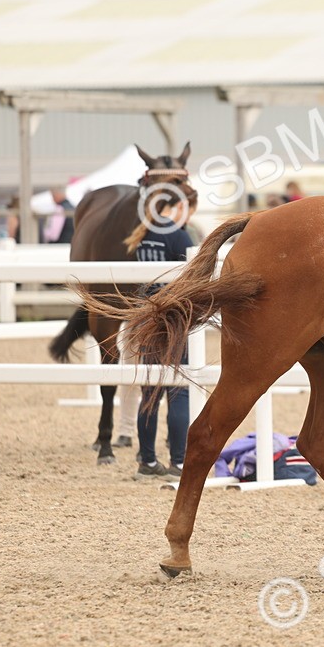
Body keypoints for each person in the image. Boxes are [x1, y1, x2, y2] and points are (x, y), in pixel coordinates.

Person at [132, 192, 197, 479]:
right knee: (178, 388)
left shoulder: (142, 235)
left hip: (147, 314)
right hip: (173, 317)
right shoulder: (178, 236)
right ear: (178, 206)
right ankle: (179, 462)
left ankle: (147, 462)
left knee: (150, 391)